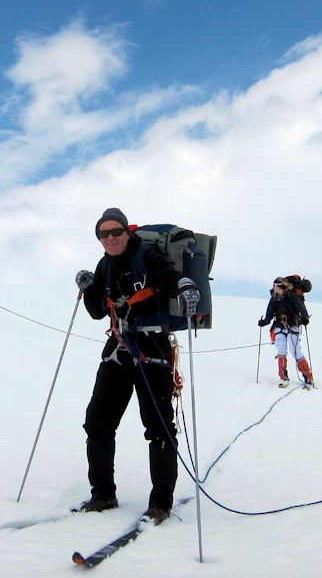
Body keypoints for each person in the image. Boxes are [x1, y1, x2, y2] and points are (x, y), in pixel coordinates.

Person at [74, 207, 200, 525]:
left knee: (158, 427)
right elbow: (95, 312)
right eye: (104, 234)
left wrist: (186, 288)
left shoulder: (148, 255)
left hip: (152, 346)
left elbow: (171, 278)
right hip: (119, 348)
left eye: (116, 231)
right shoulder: (105, 265)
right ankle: (103, 494)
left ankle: (160, 503)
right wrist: (90, 286)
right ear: (99, 238)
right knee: (97, 423)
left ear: (127, 233)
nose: (111, 237)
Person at [258, 277, 314, 386]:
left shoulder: (292, 296)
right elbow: (269, 314)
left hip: (292, 323)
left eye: (276, 286)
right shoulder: (274, 298)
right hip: (279, 324)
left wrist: (305, 318)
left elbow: (300, 307)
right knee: (281, 349)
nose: (274, 288)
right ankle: (283, 376)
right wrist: (264, 322)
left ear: (281, 286)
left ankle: (307, 376)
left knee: (295, 350)